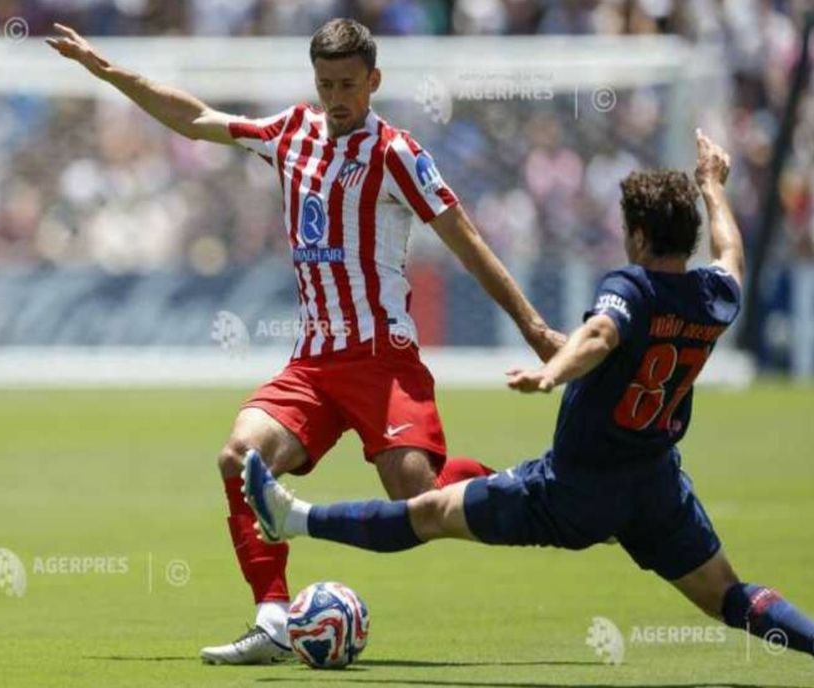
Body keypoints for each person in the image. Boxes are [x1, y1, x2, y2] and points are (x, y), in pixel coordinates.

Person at [48, 18, 563, 664]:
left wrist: (536, 329)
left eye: (349, 84)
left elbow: (468, 241)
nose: (337, 96)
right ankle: (271, 617)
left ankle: (547, 492)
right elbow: (196, 118)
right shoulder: (291, 133)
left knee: (418, 499)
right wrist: (106, 70)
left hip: (383, 362)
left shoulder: (396, 154)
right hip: (312, 366)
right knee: (239, 457)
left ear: (374, 81)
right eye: (326, 84)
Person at [244, 131, 814, 660]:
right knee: (731, 598)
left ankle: (294, 517)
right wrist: (713, 186)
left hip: (572, 491)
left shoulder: (630, 286)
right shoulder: (713, 295)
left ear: (638, 236)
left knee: (430, 512)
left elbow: (600, 334)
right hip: (658, 490)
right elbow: (731, 252)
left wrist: (552, 374)